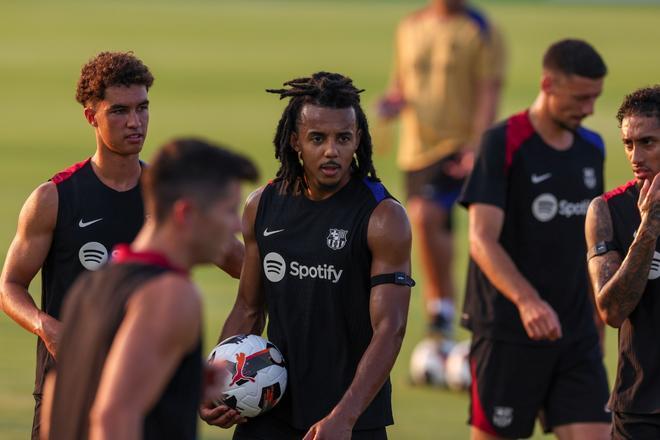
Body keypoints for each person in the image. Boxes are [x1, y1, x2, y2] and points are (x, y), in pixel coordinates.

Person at [200, 72, 413, 440]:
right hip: (269, 409)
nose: (332, 150)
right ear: (295, 141)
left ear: (358, 140)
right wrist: (212, 384)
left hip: (352, 417)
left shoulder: (383, 218)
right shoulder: (262, 206)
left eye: (343, 138)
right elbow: (249, 309)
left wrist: (344, 416)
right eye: (318, 138)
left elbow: (390, 330)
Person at [44, 138, 258, 440]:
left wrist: (184, 381)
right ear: (186, 214)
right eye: (227, 211)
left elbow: (56, 396)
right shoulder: (170, 295)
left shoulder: (94, 283)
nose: (236, 225)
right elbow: (113, 415)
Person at [459, 39, 611, 439]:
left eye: (595, 97)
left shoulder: (592, 148)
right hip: (508, 332)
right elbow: (481, 238)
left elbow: (591, 241)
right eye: (580, 98)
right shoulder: (502, 142)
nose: (589, 109)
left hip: (575, 335)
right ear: (548, 84)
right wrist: (528, 302)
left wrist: (597, 320)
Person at [0, 51, 153, 440]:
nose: (135, 123)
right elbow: (10, 285)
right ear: (91, 116)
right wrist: (45, 326)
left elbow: (241, 260)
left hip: (146, 394)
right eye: (119, 111)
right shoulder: (54, 198)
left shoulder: (167, 198)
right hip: (66, 392)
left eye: (142, 108)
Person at [377, 0, 505, 339]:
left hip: (456, 148)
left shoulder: (480, 29)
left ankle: (442, 309)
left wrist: (477, 147)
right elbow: (401, 83)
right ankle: (445, 310)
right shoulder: (410, 26)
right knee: (433, 225)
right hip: (415, 150)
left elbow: (488, 92)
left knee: (424, 215)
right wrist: (392, 103)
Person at [585, 85, 660, 439]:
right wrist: (648, 229)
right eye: (629, 144)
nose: (635, 156)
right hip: (640, 407)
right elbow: (612, 311)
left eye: (648, 143)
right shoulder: (608, 211)